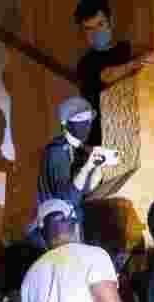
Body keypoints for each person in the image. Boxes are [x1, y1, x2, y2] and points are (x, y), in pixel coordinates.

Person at [74, 0, 154, 149]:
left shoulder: (125, 48)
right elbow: (108, 76)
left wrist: (148, 57)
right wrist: (136, 63)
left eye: (100, 24)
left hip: (133, 130)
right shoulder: (85, 64)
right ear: (82, 32)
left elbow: (151, 53)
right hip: (103, 141)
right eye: (89, 29)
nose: (96, 32)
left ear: (110, 21)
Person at [33, 97, 108, 246]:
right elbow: (67, 197)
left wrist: (99, 165)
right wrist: (87, 167)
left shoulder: (80, 149)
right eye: (80, 118)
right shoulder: (57, 151)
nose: (86, 124)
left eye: (88, 119)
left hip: (74, 227)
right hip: (59, 230)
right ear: (65, 122)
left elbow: (86, 189)